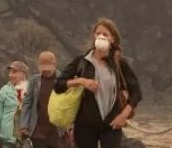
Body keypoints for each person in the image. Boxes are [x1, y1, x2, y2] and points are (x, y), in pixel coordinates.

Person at [55, 19, 141, 148]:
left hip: (112, 123)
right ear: (93, 36)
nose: (100, 37)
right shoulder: (82, 61)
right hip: (85, 124)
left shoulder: (119, 63)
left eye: (105, 34)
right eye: (97, 33)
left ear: (113, 39)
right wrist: (81, 81)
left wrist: (123, 115)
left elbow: (136, 92)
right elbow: (58, 84)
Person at [21, 51, 64, 148]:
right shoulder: (34, 81)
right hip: (38, 129)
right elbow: (27, 103)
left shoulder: (62, 79)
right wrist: (24, 125)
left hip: (56, 130)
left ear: (54, 65)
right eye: (43, 69)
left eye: (48, 68)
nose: (46, 71)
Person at [0, 61, 29, 148]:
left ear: (23, 73)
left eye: (14, 72)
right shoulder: (5, 90)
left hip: (25, 138)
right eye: (10, 72)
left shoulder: (30, 90)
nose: (10, 75)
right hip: (6, 138)